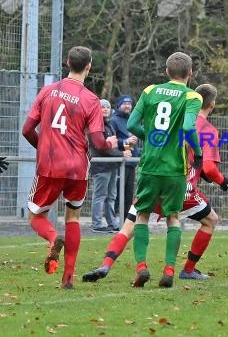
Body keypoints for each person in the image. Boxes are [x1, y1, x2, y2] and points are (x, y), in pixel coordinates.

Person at [82, 83, 228, 283]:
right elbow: (210, 168)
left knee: (129, 226)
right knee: (208, 220)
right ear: (212, 105)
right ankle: (186, 269)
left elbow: (138, 126)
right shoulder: (206, 129)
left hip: (153, 176)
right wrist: (223, 182)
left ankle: (107, 264)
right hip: (180, 186)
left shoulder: (173, 113)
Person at [21, 46, 118, 289]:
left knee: (35, 216)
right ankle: (68, 279)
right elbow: (97, 142)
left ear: (67, 63)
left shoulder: (47, 91)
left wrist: (43, 147)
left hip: (50, 164)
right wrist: (111, 142)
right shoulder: (91, 99)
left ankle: (54, 238)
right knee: (73, 216)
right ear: (89, 66)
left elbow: (26, 130)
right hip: (77, 167)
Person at [126, 51, 203, 288]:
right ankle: (169, 270)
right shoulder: (192, 96)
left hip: (149, 165)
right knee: (172, 217)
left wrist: (150, 138)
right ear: (190, 73)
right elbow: (189, 126)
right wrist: (198, 152)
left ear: (166, 71)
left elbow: (130, 124)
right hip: (175, 168)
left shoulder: (150, 91)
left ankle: (141, 267)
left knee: (141, 215)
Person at [89, 99, 132, 233]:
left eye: (107, 107)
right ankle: (97, 224)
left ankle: (112, 222)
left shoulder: (109, 125)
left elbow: (115, 143)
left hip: (113, 165)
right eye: (102, 107)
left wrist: (127, 144)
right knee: (100, 195)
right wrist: (122, 154)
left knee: (111, 195)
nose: (106, 109)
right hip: (101, 166)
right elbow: (102, 147)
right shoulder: (96, 126)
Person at [110, 94, 140, 220]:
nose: (127, 106)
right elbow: (112, 140)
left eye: (129, 103)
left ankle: (126, 220)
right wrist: (125, 142)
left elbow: (134, 142)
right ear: (119, 105)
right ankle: (116, 219)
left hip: (131, 163)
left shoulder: (133, 120)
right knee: (117, 193)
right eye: (124, 103)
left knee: (128, 194)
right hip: (120, 163)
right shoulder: (114, 121)